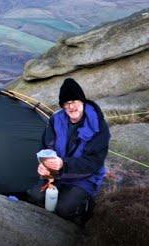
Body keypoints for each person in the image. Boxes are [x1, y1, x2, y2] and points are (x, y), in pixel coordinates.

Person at [27, 78, 111, 227]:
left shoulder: (98, 126)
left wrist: (63, 164)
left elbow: (93, 163)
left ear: (82, 101)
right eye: (66, 103)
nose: (71, 107)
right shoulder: (56, 120)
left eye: (74, 101)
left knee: (63, 209)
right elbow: (47, 146)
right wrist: (45, 165)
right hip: (57, 173)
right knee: (35, 196)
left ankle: (83, 210)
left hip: (85, 177)